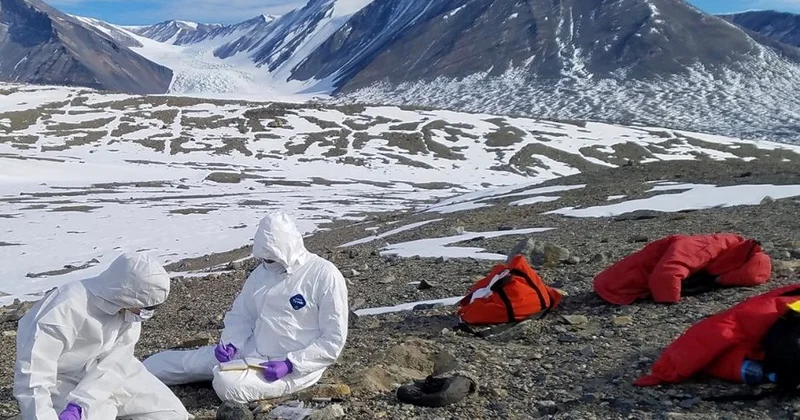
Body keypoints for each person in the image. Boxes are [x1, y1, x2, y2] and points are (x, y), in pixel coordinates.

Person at [143, 212, 349, 404]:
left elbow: (333, 339)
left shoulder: (323, 274)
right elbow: (242, 315)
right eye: (265, 257)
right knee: (159, 366)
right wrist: (232, 343)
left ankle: (228, 374)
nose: (267, 262)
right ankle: (139, 371)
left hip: (291, 366)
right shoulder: (262, 272)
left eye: (272, 257)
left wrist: (291, 364)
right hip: (248, 351)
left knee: (227, 385)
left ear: (287, 248)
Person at [13, 253, 189, 420]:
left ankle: (106, 407)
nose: (145, 313)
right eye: (146, 307)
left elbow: (116, 362)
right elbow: (33, 376)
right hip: (63, 379)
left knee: (173, 413)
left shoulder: (129, 312)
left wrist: (83, 403)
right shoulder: (64, 309)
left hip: (112, 374)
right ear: (126, 294)